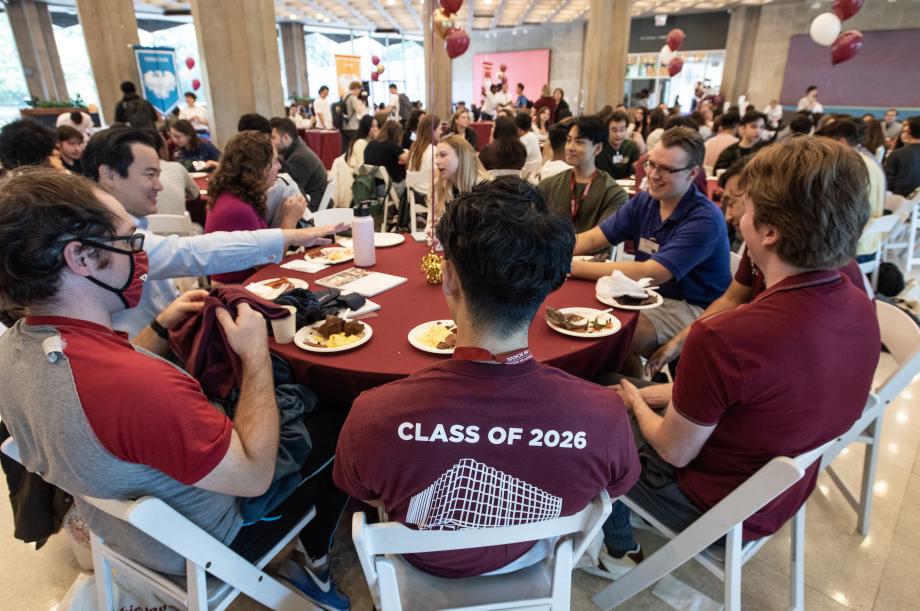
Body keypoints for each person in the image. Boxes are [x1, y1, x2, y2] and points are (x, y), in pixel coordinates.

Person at [0, 167, 351, 610]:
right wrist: (255, 354)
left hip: (119, 530)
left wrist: (160, 328)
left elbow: (113, 387)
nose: (141, 255)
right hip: (207, 543)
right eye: (129, 242)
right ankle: (313, 564)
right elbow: (254, 474)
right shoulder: (133, 387)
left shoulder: (14, 352)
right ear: (81, 258)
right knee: (345, 417)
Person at [333, 176, 640, 578]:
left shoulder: (373, 415)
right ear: (552, 284)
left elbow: (364, 494)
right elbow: (611, 490)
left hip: (421, 569)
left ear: (449, 278)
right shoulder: (603, 415)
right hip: (531, 559)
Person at [601, 137, 879, 572]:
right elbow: (751, 398)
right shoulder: (859, 301)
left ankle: (613, 549)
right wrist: (648, 396)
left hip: (709, 504)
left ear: (769, 231)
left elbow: (674, 451)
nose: (733, 215)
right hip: (779, 490)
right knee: (607, 387)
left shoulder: (727, 337)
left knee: (588, 416)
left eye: (743, 207)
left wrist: (636, 401)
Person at [81, 127, 345, 337]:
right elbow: (193, 251)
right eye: (150, 174)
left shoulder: (127, 225)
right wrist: (290, 232)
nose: (160, 186)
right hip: (144, 354)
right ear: (109, 174)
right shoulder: (101, 240)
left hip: (165, 335)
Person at [644, 156, 869, 377]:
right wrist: (680, 342)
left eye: (735, 202)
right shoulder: (762, 254)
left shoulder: (817, 286)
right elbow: (732, 299)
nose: (729, 215)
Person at [570, 128, 731, 377]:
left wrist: (570, 266)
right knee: (589, 317)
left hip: (692, 307)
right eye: (651, 165)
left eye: (666, 169)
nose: (654, 175)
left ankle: (634, 397)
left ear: (692, 173)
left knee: (613, 334)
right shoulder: (645, 202)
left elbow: (652, 272)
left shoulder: (704, 219)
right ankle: (633, 390)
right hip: (645, 296)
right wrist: (553, 252)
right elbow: (594, 238)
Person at [205, 131, 307, 283]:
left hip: (246, 284)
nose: (279, 166)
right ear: (258, 168)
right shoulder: (238, 208)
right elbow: (268, 264)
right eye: (274, 162)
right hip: (240, 291)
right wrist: (290, 220)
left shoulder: (234, 195)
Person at [537, 116, 628, 236]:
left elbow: (601, 239)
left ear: (598, 148)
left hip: (593, 254)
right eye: (569, 140)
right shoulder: (547, 186)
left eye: (579, 142)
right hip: (551, 253)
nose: (570, 147)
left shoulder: (613, 193)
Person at [817, 119, 886, 262]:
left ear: (841, 141)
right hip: (870, 243)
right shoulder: (869, 160)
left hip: (851, 250)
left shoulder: (848, 165)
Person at [269, 117, 327, 212]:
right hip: (314, 201)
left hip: (313, 208)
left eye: (273, 138)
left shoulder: (298, 158)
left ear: (286, 137)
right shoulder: (299, 150)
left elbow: (288, 191)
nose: (270, 142)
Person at [429, 135, 491, 220]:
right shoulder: (438, 185)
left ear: (461, 157)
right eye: (436, 156)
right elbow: (431, 221)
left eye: (443, 155)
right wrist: (431, 226)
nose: (436, 162)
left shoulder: (483, 186)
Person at [152, 130, 200, 217]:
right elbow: (195, 196)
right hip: (180, 228)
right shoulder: (176, 167)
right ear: (161, 149)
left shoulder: (129, 177)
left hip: (143, 229)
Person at [595, 111, 641, 180]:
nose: (618, 134)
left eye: (622, 130)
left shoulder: (631, 146)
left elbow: (638, 169)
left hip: (627, 186)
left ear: (626, 130)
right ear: (607, 130)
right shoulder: (599, 148)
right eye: (614, 130)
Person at [407, 114, 442, 197]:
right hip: (431, 197)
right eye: (440, 128)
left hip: (416, 194)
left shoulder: (414, 147)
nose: (441, 132)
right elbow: (438, 179)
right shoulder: (434, 150)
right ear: (432, 130)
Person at [885, 116, 920, 197]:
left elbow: (888, 184)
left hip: (901, 202)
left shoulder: (897, 154)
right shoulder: (897, 154)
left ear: (909, 131)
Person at [364, 119, 408, 184]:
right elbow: (410, 161)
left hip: (373, 186)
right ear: (398, 135)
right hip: (389, 187)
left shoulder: (371, 144)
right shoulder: (391, 145)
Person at [341, 80, 365, 155]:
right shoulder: (353, 97)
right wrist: (362, 103)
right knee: (353, 147)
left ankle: (342, 163)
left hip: (344, 125)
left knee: (344, 148)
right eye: (359, 90)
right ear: (356, 88)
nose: (359, 92)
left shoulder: (344, 96)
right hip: (352, 126)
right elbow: (359, 110)